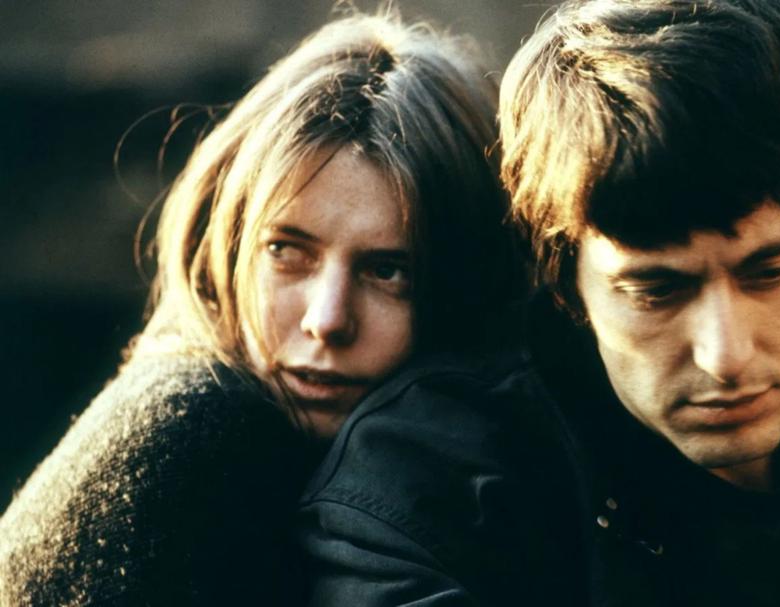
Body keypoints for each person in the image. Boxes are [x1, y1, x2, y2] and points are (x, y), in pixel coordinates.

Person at [298, 0, 780, 605]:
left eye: (771, 270)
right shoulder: (417, 499)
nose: (725, 353)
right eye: (656, 289)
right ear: (564, 276)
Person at [0, 10, 518, 606]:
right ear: (227, 243)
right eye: (286, 251)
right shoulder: (200, 435)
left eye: (386, 271)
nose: (326, 320)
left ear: (468, 283)